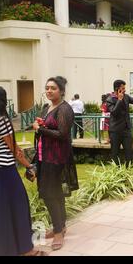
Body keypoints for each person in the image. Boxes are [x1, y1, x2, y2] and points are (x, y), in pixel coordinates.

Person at [0, 85, 45, 256]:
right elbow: (15, 150)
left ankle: (1, 249)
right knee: (18, 207)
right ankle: (27, 250)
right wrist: (29, 165)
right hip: (5, 173)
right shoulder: (1, 120)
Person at [33, 76, 79, 251]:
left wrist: (41, 129)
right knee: (55, 192)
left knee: (48, 193)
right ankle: (61, 226)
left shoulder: (65, 109)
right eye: (47, 88)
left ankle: (58, 232)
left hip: (57, 158)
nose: (49, 91)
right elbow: (50, 128)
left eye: (53, 88)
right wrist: (42, 124)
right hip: (44, 155)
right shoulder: (47, 107)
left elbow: (62, 134)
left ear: (61, 91)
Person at [106, 80, 133, 164]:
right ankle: (116, 173)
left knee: (129, 154)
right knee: (115, 154)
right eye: (123, 88)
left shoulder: (126, 97)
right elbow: (114, 112)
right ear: (117, 89)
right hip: (115, 131)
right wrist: (119, 100)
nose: (125, 90)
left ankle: (129, 171)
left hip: (126, 130)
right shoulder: (110, 99)